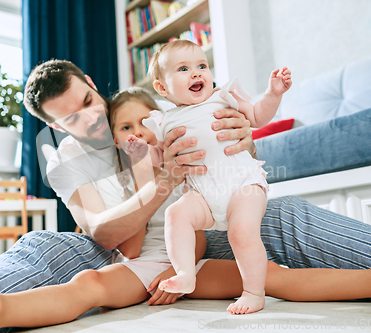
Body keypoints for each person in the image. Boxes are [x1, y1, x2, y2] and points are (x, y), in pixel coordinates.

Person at [0, 58, 371, 332]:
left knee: (281, 219)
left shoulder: (147, 108)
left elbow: (224, 124)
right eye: (71, 119)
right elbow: (108, 234)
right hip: (129, 246)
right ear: (53, 127)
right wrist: (162, 181)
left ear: (91, 83)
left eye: (88, 102)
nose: (91, 120)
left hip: (207, 226)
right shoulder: (65, 156)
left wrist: (239, 133)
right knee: (51, 250)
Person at [124, 40, 291, 314]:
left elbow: (259, 117)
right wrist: (143, 150)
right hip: (203, 194)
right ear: (162, 88)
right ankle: (186, 274)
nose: (197, 73)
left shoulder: (223, 96)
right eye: (183, 69)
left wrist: (273, 94)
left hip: (242, 185)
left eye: (202, 65)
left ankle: (253, 293)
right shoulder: (164, 121)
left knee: (241, 233)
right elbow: (160, 157)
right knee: (176, 214)